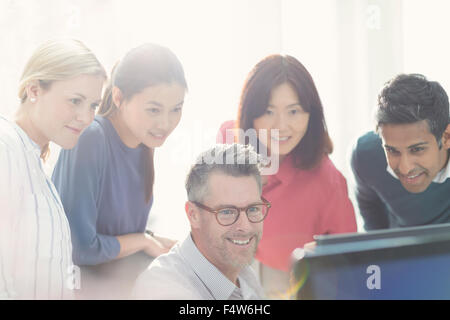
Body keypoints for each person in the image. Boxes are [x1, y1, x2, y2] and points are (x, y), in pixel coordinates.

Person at [217, 54, 357, 297]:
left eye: (294, 111)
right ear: (250, 113)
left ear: (311, 115)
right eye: (269, 111)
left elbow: (351, 265)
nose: (281, 126)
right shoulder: (229, 138)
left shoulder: (328, 182)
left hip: (288, 283)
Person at [52, 43, 187, 270]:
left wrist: (152, 239)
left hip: (120, 282)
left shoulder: (143, 140)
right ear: (118, 97)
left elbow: (116, 229)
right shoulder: (91, 138)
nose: (165, 124)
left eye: (176, 109)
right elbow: (80, 248)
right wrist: (143, 241)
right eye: (153, 110)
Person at [0, 38, 106, 299]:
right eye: (74, 101)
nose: (86, 117)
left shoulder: (34, 163)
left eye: (93, 105)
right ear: (34, 90)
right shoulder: (6, 146)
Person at [133, 144, 267, 300]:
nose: (245, 226)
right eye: (227, 212)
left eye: (253, 209)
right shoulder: (162, 290)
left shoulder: (244, 274)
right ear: (193, 215)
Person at [351, 73, 450, 230]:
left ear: (446, 137)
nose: (405, 168)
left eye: (417, 149)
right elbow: (370, 208)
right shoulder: (366, 154)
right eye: (392, 150)